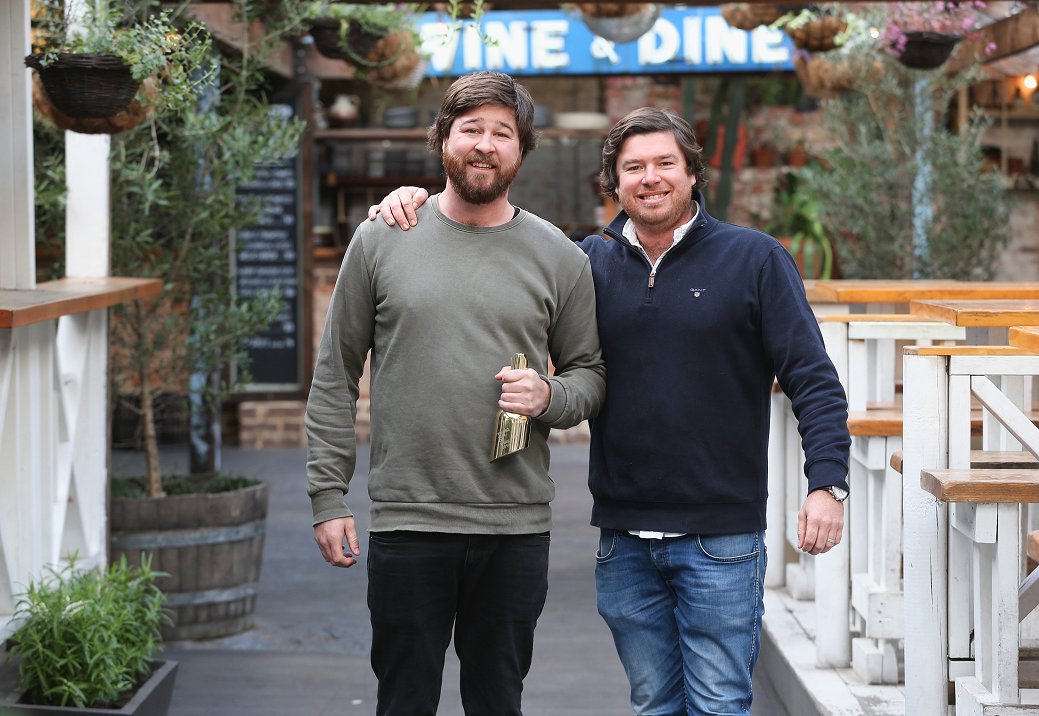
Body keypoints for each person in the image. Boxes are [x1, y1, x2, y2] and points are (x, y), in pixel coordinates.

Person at [369, 106, 850, 715]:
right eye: (634, 167)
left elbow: (813, 380)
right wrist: (413, 203)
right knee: (652, 705)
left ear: (692, 173)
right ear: (614, 182)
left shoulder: (753, 259)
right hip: (624, 540)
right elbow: (494, 260)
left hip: (721, 537)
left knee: (718, 704)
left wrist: (827, 484)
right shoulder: (586, 263)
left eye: (665, 163)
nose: (650, 178)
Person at [306, 71, 606, 716]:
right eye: (471, 129)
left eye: (503, 133)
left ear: (522, 150)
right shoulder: (383, 237)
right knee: (404, 702)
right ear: (443, 139)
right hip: (409, 520)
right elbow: (335, 374)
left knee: (497, 702)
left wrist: (548, 396)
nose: (485, 145)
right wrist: (328, 497)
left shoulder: (561, 257)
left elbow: (590, 375)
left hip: (514, 525)